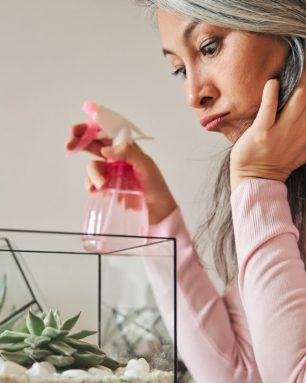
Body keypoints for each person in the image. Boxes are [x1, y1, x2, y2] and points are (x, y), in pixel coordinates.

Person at [66, 1, 306, 382]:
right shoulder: (291, 192)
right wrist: (157, 212)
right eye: (180, 70)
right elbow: (240, 372)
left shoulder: (268, 180)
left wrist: (259, 177)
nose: (193, 95)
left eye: (210, 48)